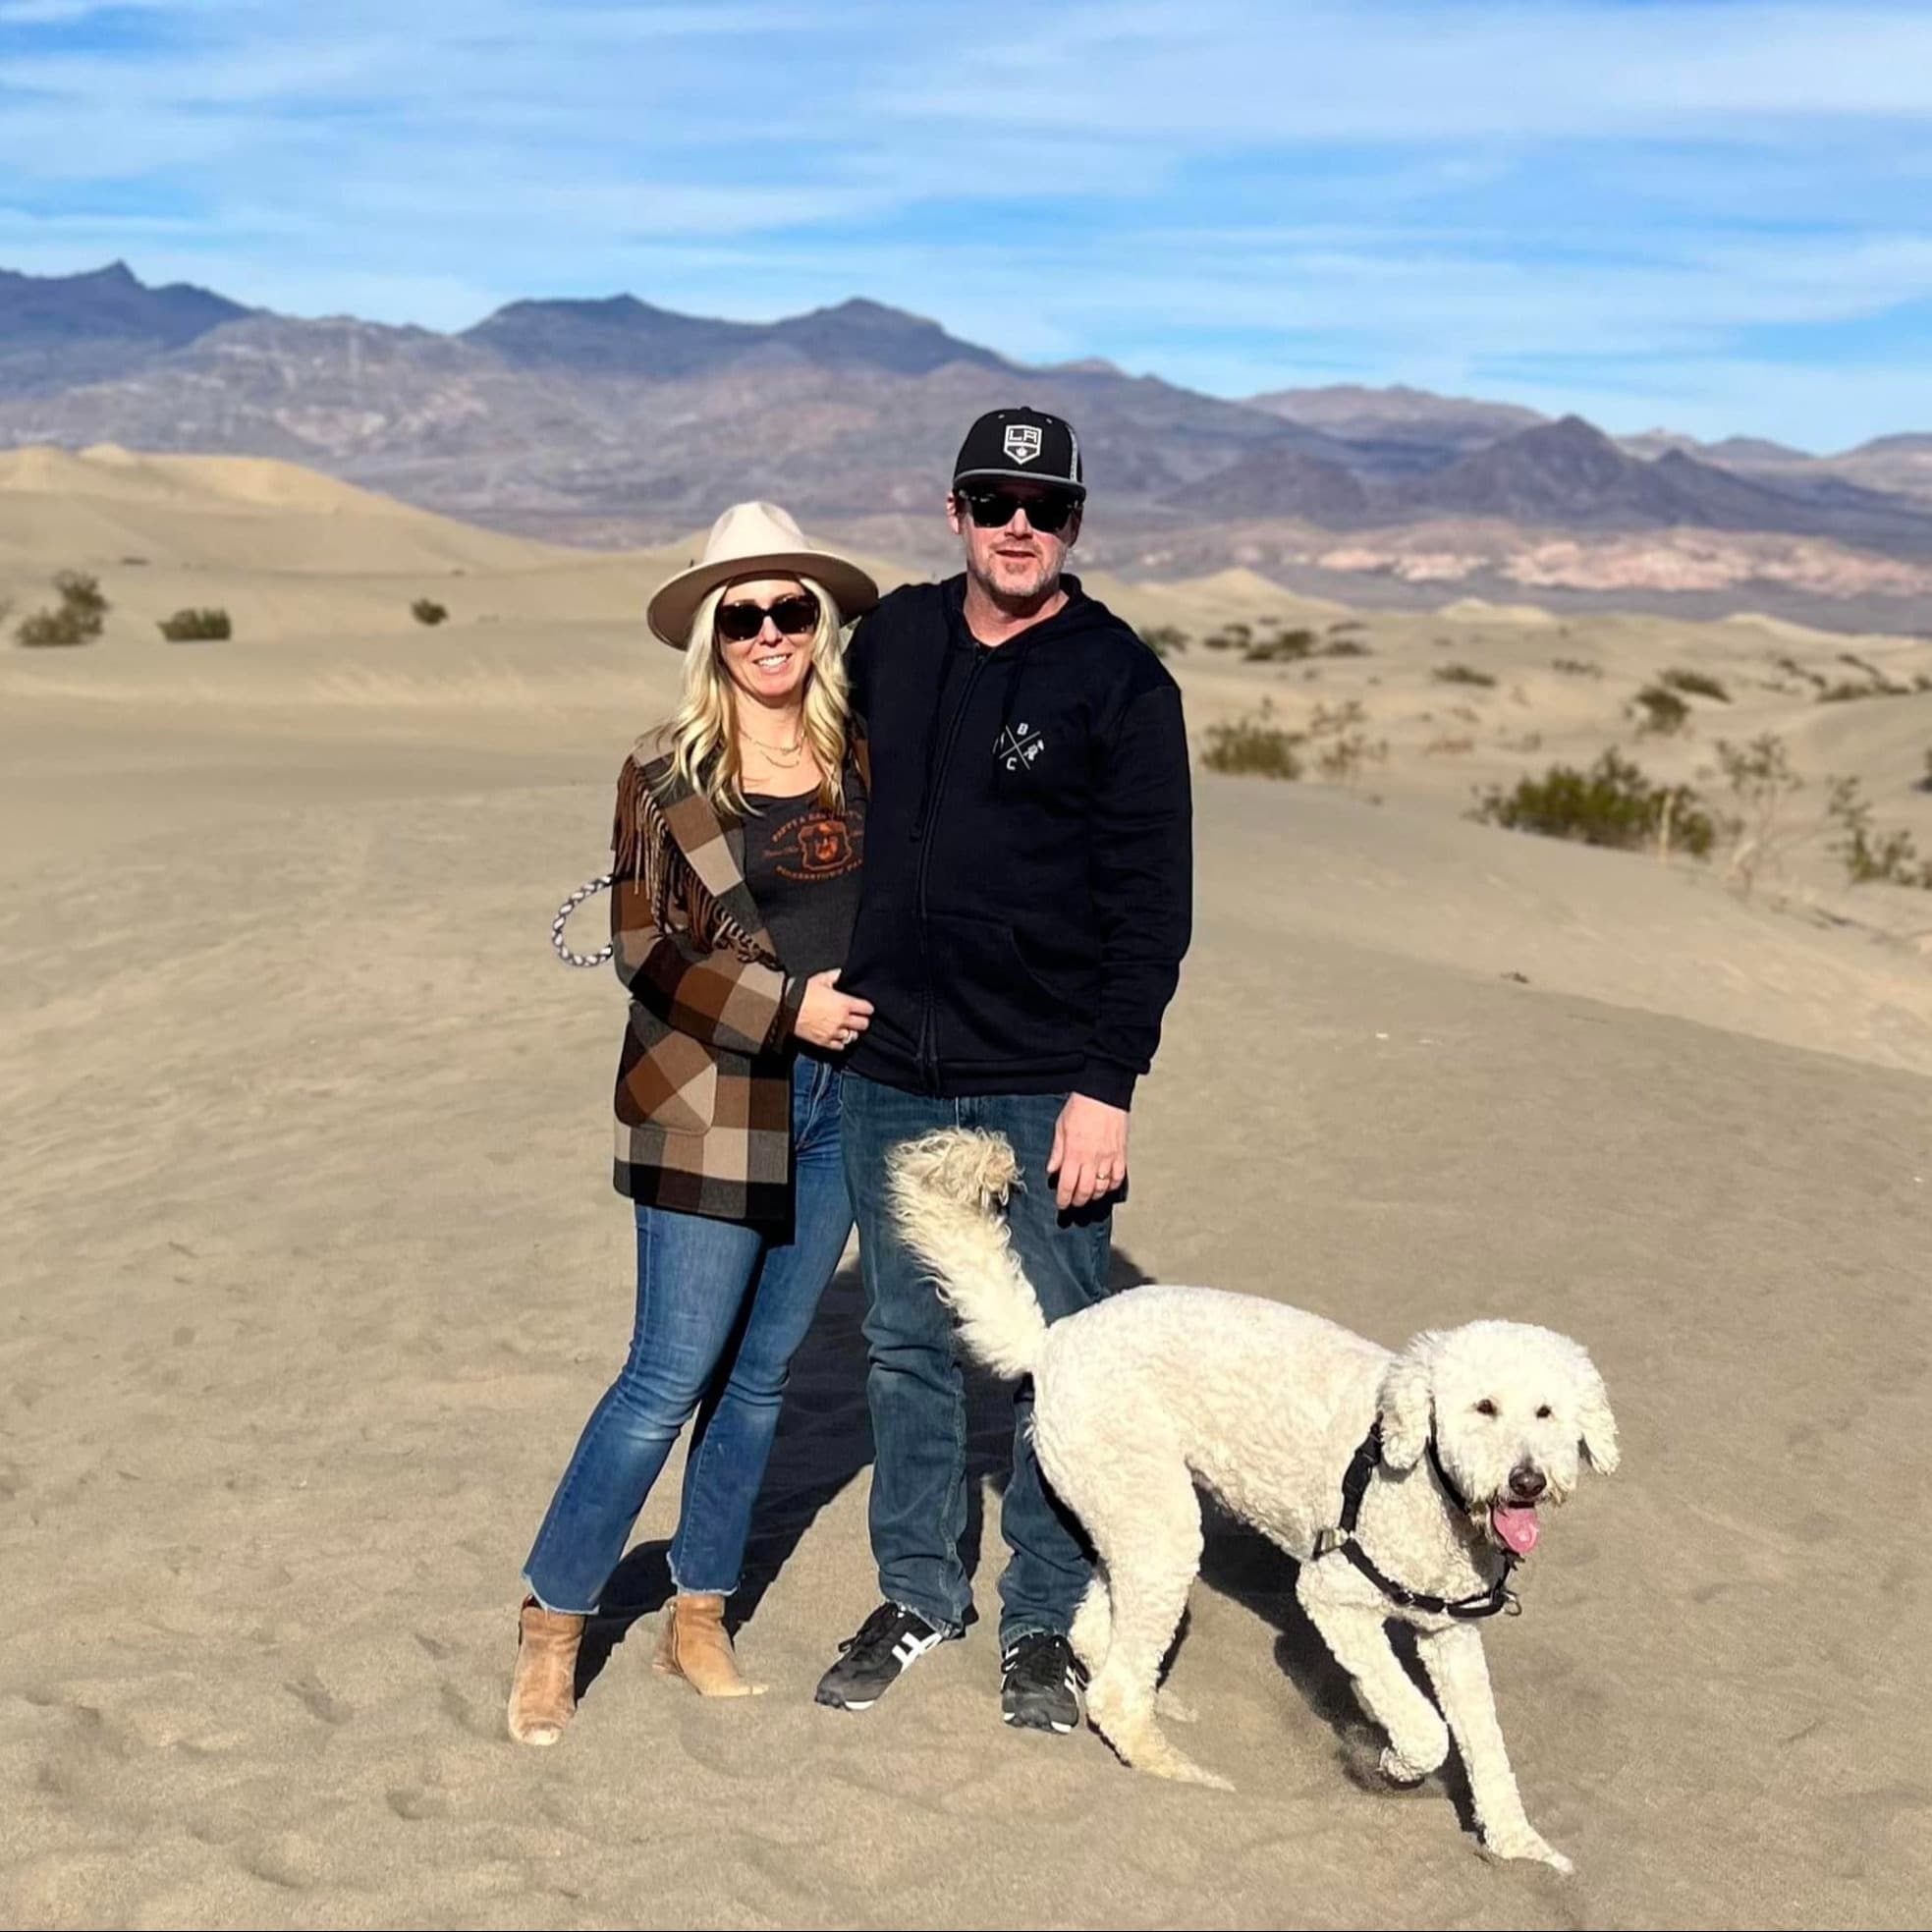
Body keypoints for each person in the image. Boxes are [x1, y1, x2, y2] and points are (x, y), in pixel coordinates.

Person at [814, 408, 1193, 1734]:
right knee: (905, 1341)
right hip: (890, 1065)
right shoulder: (897, 638)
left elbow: (1152, 906)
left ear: (1074, 523)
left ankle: (1041, 1611)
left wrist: (1108, 1081)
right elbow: (789, 774)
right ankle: (919, 1586)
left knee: (1060, 1357)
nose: (1015, 522)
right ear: (952, 511)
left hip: (1045, 1078)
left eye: (1040, 503)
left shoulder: (1120, 682)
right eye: (991, 498)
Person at [509, 502, 880, 1744]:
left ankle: (698, 1616)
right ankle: (554, 1620)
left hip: (842, 1107)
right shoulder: (662, 771)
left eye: (791, 609)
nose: (770, 632)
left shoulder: (860, 752)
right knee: (666, 1376)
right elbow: (638, 946)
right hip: (709, 1106)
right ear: (711, 636)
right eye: (744, 613)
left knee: (762, 1378)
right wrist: (786, 1009)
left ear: (818, 624)